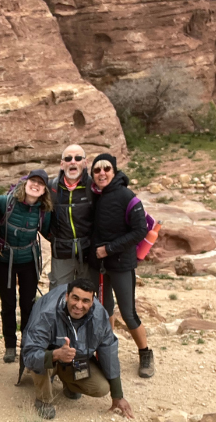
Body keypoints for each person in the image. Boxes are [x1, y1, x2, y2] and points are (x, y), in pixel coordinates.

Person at [21, 279, 134, 420]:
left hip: (75, 358)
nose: (79, 306)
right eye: (75, 298)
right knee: (41, 361)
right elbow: (30, 354)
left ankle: (69, 383)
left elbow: (109, 350)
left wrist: (118, 395)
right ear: (67, 296)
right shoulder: (47, 314)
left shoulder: (99, 316)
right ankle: (43, 400)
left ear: (92, 301)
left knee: (101, 388)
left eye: (85, 301)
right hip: (51, 356)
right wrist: (55, 354)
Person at [87, 153, 155, 379]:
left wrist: (109, 249)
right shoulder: (94, 195)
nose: (102, 173)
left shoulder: (127, 196)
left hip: (121, 264)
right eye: (97, 170)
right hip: (100, 265)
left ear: (114, 171)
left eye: (106, 168)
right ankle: (108, 352)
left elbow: (140, 230)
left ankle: (145, 353)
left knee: (128, 312)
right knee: (104, 309)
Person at [0, 170, 53, 364]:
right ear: (25, 183)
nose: (35, 185)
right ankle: (10, 345)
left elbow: (48, 233)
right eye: (33, 181)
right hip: (5, 259)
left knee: (28, 304)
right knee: (8, 303)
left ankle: (27, 343)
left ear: (44, 190)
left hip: (29, 260)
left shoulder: (43, 211)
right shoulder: (5, 202)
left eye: (40, 184)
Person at [48, 144, 94, 290]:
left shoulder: (93, 187)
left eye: (78, 158)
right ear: (62, 164)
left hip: (88, 253)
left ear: (85, 163)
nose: (73, 161)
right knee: (57, 297)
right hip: (61, 252)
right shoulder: (52, 188)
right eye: (68, 158)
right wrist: (54, 238)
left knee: (86, 298)